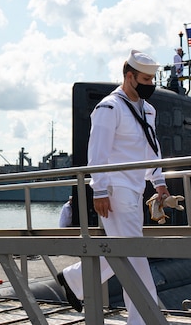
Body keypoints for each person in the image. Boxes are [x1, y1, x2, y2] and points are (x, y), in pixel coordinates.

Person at [56, 49, 171, 324]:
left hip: (134, 188)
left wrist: (159, 182)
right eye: (145, 79)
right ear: (129, 76)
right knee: (135, 254)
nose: (150, 85)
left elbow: (150, 148)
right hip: (115, 187)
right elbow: (97, 152)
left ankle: (74, 279)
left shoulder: (148, 109)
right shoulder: (110, 107)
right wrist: (100, 190)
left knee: (125, 251)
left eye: (152, 79)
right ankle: (144, 317)